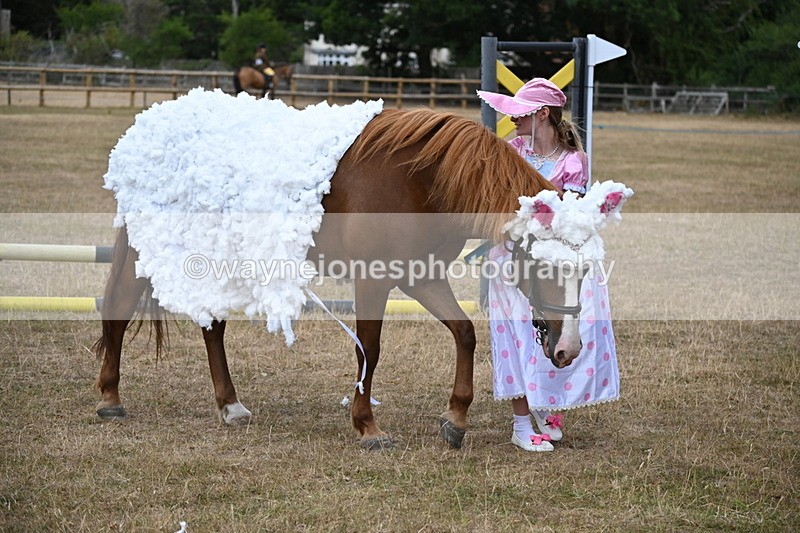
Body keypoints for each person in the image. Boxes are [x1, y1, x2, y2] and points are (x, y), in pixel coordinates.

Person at [477, 78, 620, 452]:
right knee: (516, 336)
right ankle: (521, 422)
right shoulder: (510, 150)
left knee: (563, 328)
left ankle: (549, 405)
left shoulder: (573, 162)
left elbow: (567, 217)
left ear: (542, 114)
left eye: (520, 113)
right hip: (511, 258)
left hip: (553, 261)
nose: (511, 120)